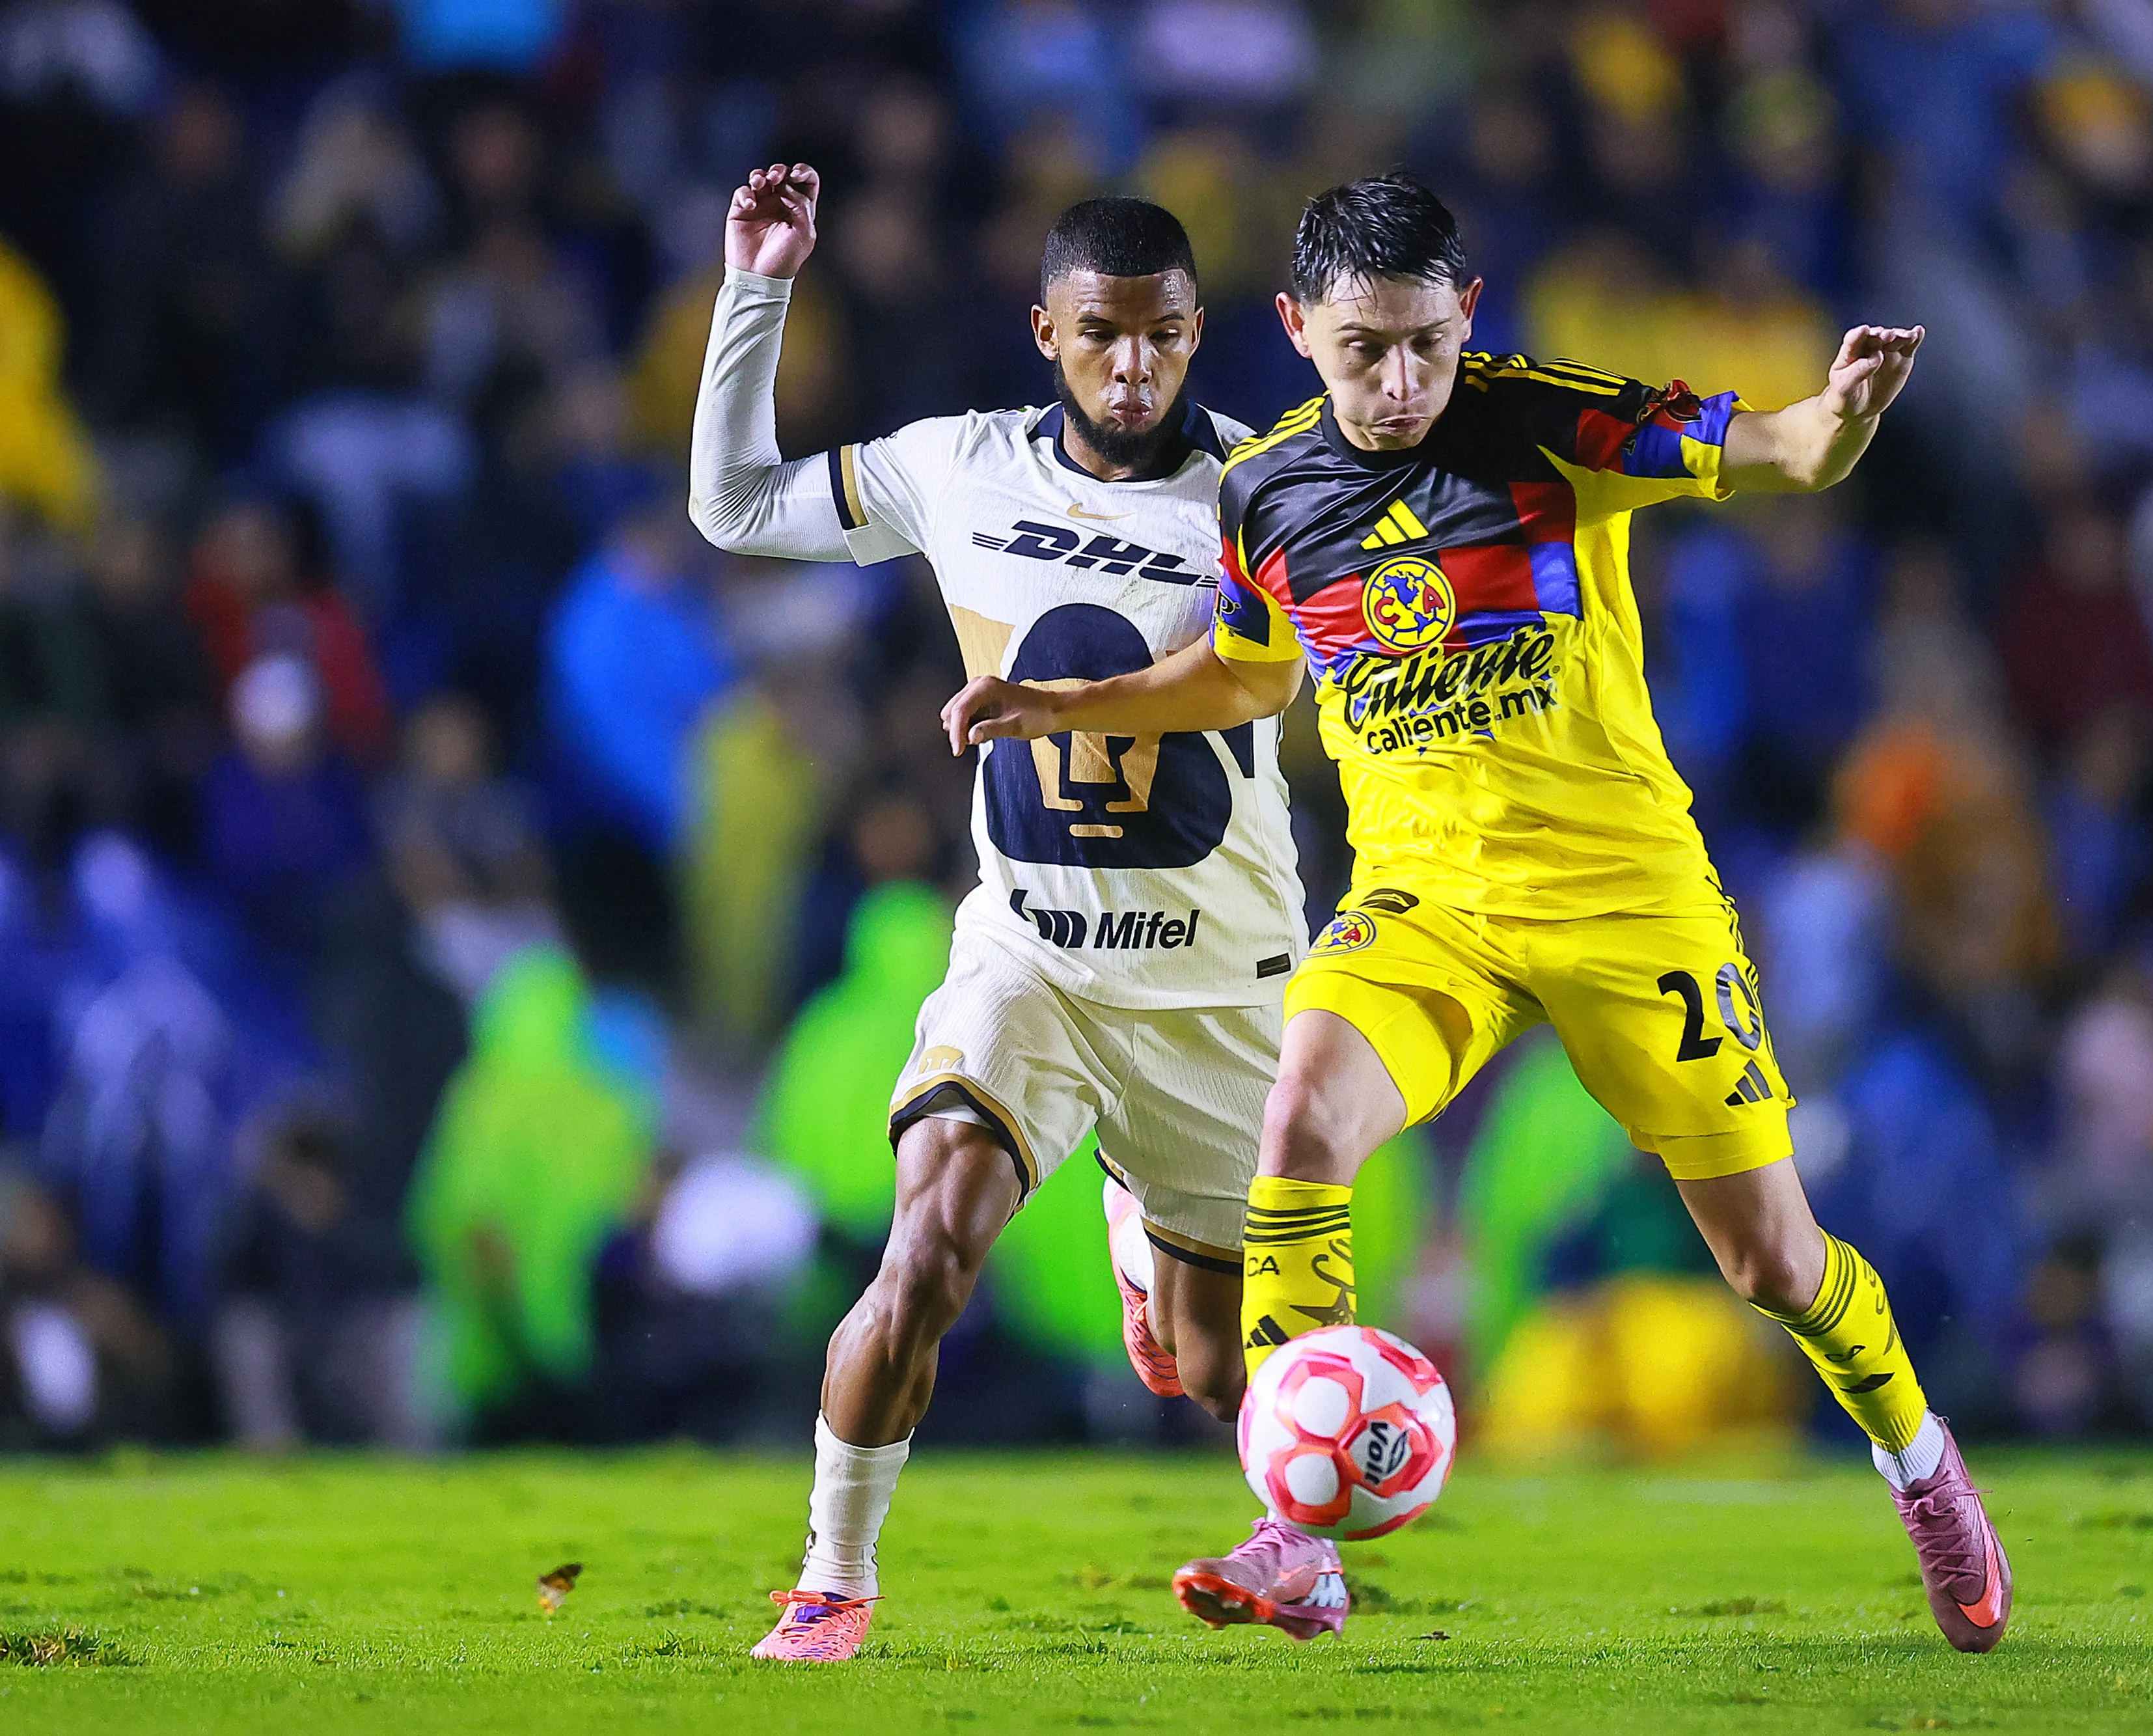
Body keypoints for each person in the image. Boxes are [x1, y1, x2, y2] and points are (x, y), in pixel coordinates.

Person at [945, 174, 2013, 1653]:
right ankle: (1294, 1537)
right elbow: (1252, 672)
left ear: (1470, 317)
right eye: (1361, 349)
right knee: (1297, 1122)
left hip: (1623, 902)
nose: (1396, 384)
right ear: (1295, 327)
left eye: (1425, 348)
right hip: (1422, 901)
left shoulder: (1548, 425)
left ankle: (1918, 1460)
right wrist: (1066, 698)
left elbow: (1777, 450)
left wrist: (1843, 410)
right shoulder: (1269, 492)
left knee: (1770, 1260)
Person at [688, 165, 1311, 1662]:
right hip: (1028, 957)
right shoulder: (955, 465)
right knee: (927, 1250)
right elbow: (732, 507)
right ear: (1046, 331)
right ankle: (834, 1576)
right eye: (1102, 333)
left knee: (1235, 1381)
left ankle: (1154, 1248)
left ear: (1197, 330)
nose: (1135, 364)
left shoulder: (1269, 487)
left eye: (1163, 335)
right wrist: (758, 285)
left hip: (1220, 989)